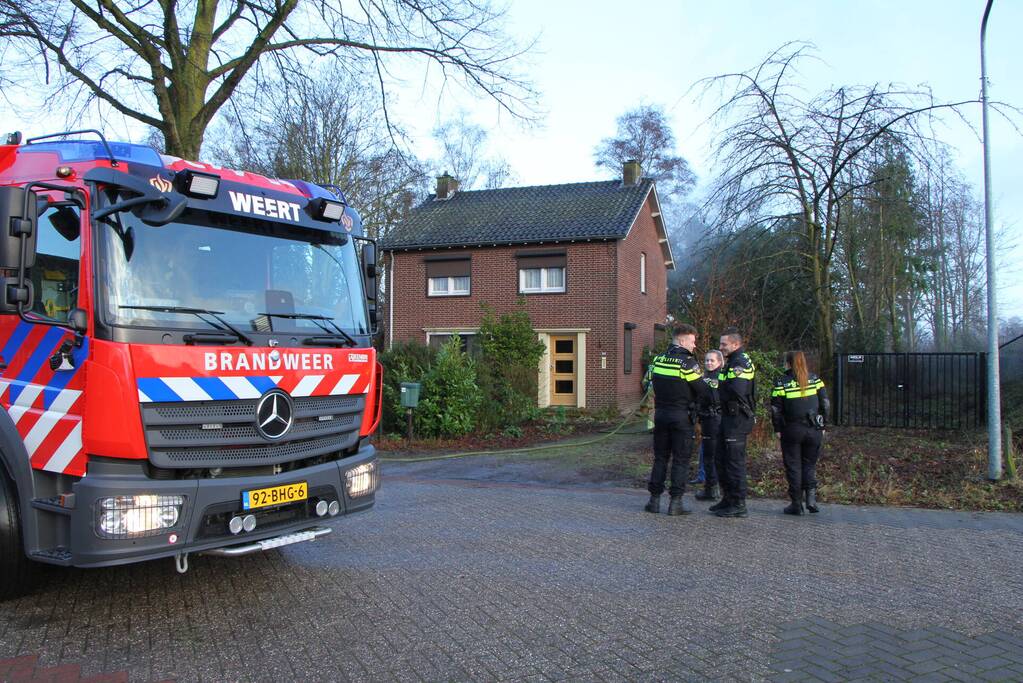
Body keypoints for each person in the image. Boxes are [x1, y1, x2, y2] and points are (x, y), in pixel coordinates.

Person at [642, 324, 710, 515]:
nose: (694, 345)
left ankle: (653, 501)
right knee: (680, 459)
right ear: (681, 341)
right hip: (681, 417)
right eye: (692, 341)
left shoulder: (658, 360)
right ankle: (675, 503)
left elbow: (648, 381)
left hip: (661, 416)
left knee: (661, 458)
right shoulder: (688, 363)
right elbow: (703, 390)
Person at [770, 351, 829, 515]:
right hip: (814, 428)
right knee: (809, 464)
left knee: (793, 466)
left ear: (788, 363)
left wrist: (777, 429)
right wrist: (823, 424)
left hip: (792, 430)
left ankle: (796, 504)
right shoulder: (815, 379)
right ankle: (811, 499)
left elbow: (776, 409)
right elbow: (825, 402)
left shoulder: (782, 382)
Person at [711, 327, 756, 518]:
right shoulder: (731, 362)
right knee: (721, 458)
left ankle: (738, 503)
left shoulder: (740, 363)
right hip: (728, 418)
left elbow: (736, 390)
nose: (721, 347)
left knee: (734, 462)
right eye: (721, 343)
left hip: (737, 419)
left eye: (724, 344)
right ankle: (728, 498)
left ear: (736, 344)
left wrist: (722, 393)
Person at [694, 349, 724, 502]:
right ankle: (713, 486)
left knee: (709, 456)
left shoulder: (714, 379)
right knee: (712, 455)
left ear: (719, 362)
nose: (709, 363)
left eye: (712, 360)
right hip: (710, 420)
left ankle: (711, 489)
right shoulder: (706, 377)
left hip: (713, 420)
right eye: (706, 360)